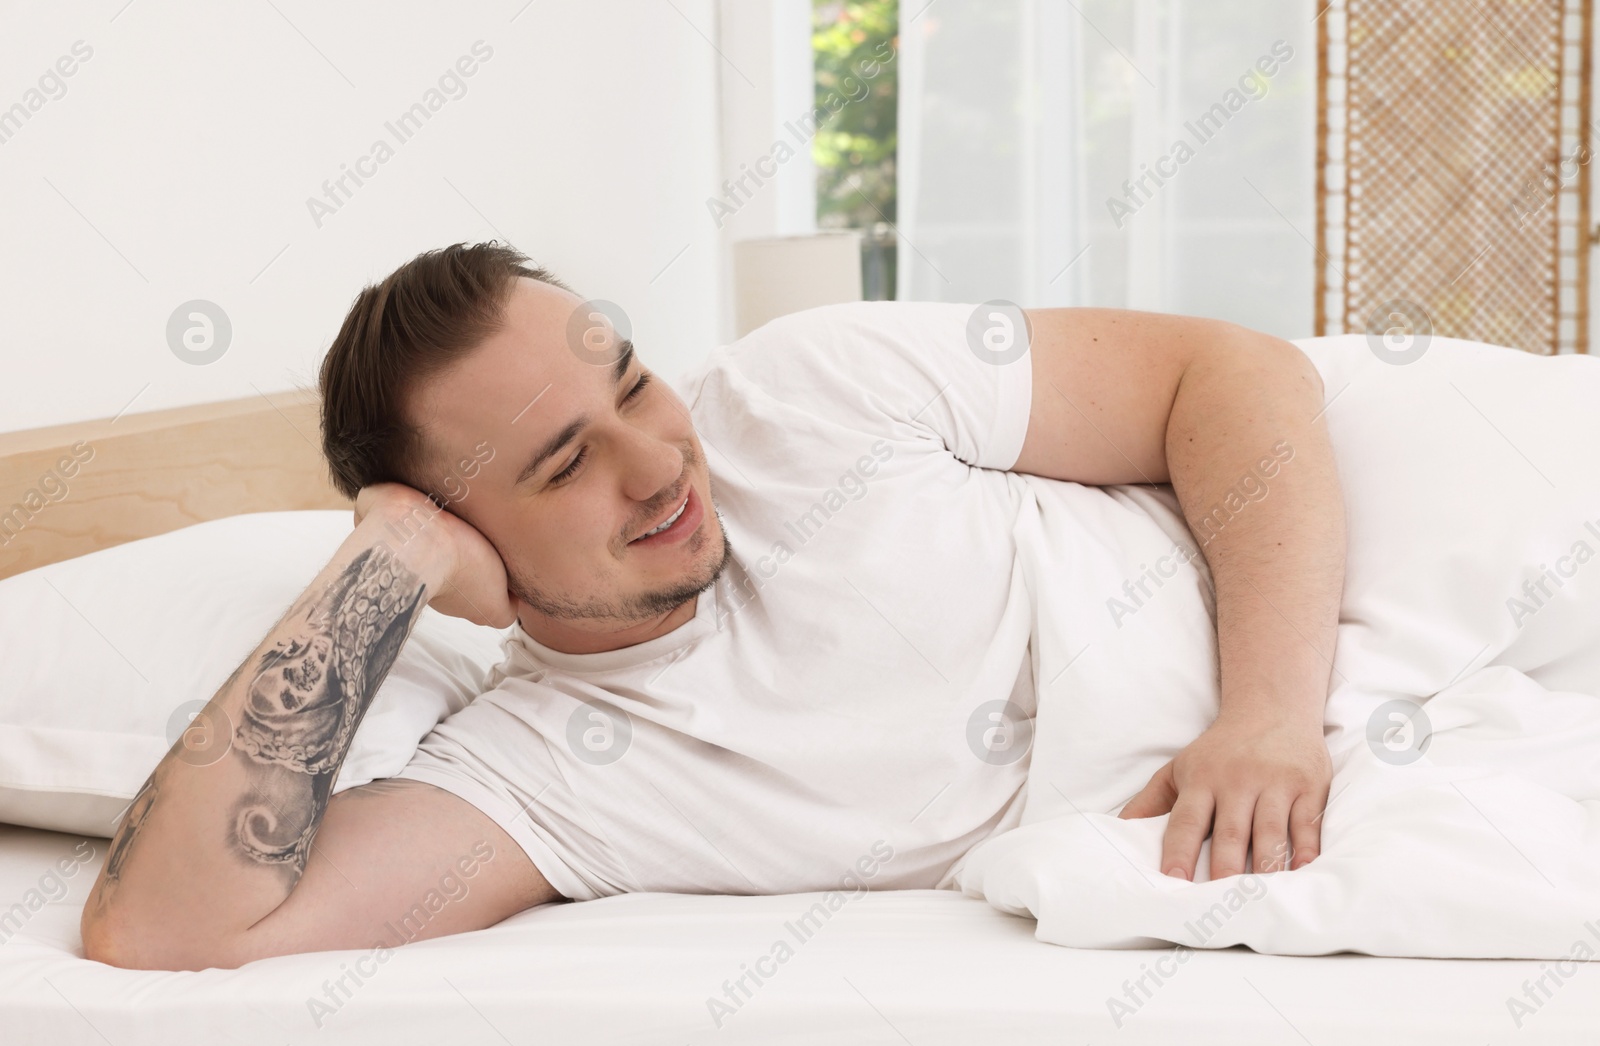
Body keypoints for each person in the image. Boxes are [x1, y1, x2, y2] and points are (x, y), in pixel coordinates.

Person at [81, 241, 1344, 970]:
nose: (657, 463)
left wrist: (1273, 716)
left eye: (631, 384)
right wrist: (384, 562)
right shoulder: (542, 773)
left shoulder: (807, 391)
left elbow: (1234, 372)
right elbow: (163, 927)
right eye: (564, 465)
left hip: (1321, 612)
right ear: (462, 532)